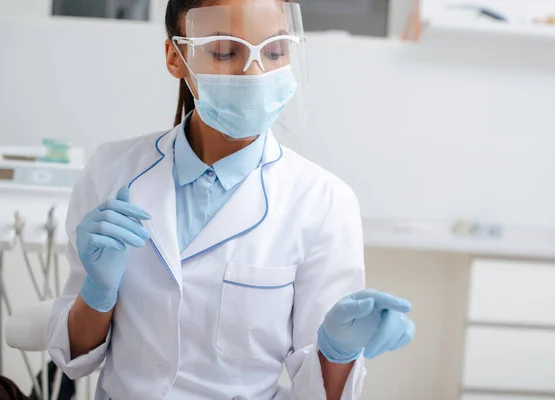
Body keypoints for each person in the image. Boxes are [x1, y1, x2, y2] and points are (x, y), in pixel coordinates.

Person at [45, 1, 415, 399]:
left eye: (274, 52)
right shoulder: (111, 170)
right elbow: (75, 358)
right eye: (225, 51)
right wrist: (98, 293)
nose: (254, 72)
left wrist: (337, 350)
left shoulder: (324, 203)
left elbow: (316, 394)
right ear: (176, 57)